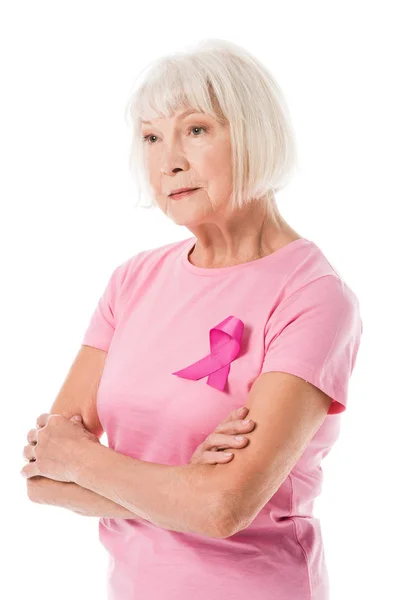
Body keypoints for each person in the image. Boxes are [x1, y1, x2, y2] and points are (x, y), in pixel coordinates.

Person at [79, 39, 362, 599]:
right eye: (152, 138)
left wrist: (83, 463)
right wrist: (185, 486)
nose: (169, 161)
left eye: (197, 130)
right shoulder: (132, 280)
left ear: (255, 133)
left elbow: (222, 507)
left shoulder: (313, 296)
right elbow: (42, 475)